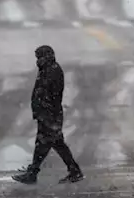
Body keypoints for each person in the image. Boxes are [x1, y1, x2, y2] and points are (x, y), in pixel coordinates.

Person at [13, 45, 82, 184]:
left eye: (39, 57)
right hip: (47, 115)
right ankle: (74, 171)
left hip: (49, 115)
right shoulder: (47, 69)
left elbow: (48, 94)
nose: (37, 60)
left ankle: (33, 173)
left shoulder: (52, 71)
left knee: (42, 145)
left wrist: (45, 113)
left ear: (46, 56)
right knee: (56, 144)